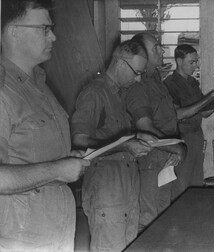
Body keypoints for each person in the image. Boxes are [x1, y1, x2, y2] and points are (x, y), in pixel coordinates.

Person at [0, 0, 90, 250]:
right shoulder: (4, 91)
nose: (53, 36)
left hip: (56, 228)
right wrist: (56, 170)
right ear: (13, 31)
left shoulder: (39, 83)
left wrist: (64, 160)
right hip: (19, 237)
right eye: (44, 28)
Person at [71, 40, 155, 251]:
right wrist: (126, 145)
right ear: (119, 63)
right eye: (136, 72)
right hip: (107, 189)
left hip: (126, 188)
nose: (138, 79)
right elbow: (80, 143)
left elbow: (115, 136)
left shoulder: (118, 95)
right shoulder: (94, 93)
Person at [127, 33, 187, 232]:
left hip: (165, 155)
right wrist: (175, 147)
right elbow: (144, 127)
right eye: (155, 47)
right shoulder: (138, 85)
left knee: (163, 213)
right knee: (149, 217)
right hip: (151, 156)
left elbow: (169, 116)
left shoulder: (156, 80)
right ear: (142, 53)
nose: (162, 50)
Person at [164, 44, 214, 200]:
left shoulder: (193, 83)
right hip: (181, 137)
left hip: (196, 136)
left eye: (196, 62)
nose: (195, 66)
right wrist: (203, 104)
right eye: (191, 62)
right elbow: (176, 115)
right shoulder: (170, 84)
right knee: (181, 183)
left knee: (196, 181)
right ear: (179, 61)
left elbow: (205, 112)